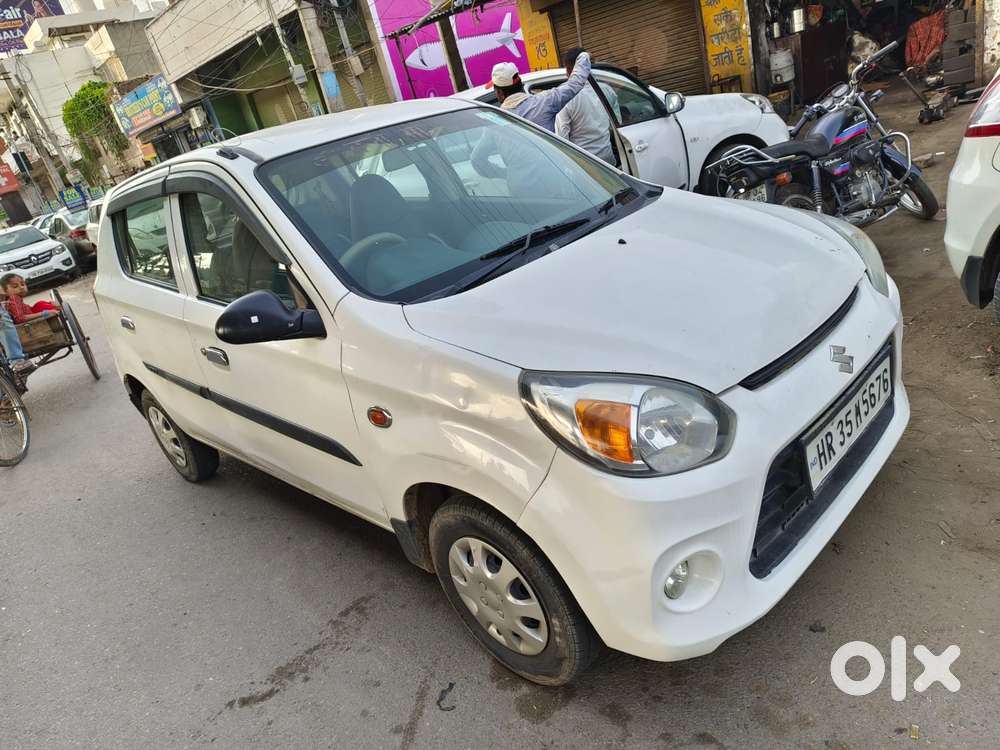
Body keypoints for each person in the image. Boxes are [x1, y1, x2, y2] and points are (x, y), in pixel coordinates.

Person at [471, 51, 592, 195]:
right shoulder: (545, 101)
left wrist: (506, 174)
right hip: (554, 186)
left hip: (522, 194)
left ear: (500, 94)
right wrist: (583, 56)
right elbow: (575, 83)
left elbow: (477, 159)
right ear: (520, 84)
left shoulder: (494, 121)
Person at [555, 47, 621, 164]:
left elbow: (562, 138)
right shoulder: (607, 90)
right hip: (608, 161)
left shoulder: (563, 95)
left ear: (570, 70)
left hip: (585, 168)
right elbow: (616, 125)